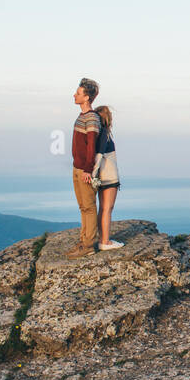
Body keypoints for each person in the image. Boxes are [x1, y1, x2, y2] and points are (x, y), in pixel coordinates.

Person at [68, 77, 101, 258]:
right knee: (83, 206)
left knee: (88, 206)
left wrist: (88, 169)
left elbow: (91, 146)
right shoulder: (82, 116)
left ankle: (89, 245)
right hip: (77, 167)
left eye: (78, 93)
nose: (75, 95)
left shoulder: (92, 118)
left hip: (84, 169)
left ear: (86, 97)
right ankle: (83, 241)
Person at [93, 105, 122, 250]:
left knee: (102, 208)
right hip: (109, 177)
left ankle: (102, 238)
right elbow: (99, 155)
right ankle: (105, 241)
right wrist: (93, 175)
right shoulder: (105, 133)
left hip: (101, 177)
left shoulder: (98, 133)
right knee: (107, 209)